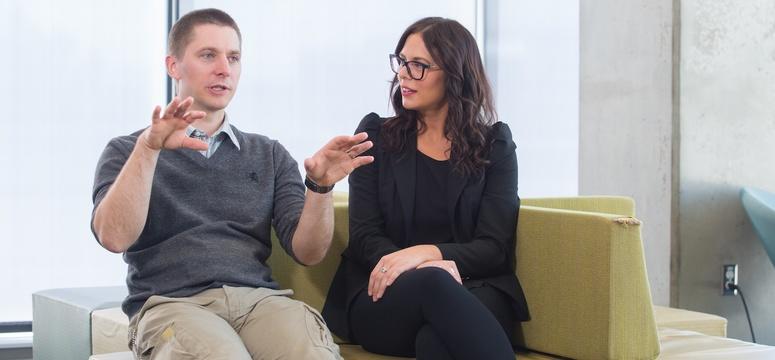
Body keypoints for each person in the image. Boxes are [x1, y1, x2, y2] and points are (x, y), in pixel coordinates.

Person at [91, 8, 372, 360]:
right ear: (174, 66)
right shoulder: (128, 150)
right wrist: (149, 149)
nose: (224, 68)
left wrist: (319, 186)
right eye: (208, 55)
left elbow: (309, 252)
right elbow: (114, 237)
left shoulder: (268, 154)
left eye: (233, 57)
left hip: (258, 303)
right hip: (173, 304)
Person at [322, 17, 530, 359]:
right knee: (434, 284)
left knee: (435, 344)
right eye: (402, 62)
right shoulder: (376, 136)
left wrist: (427, 252)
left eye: (419, 65)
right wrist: (423, 266)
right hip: (386, 293)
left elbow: (494, 247)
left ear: (455, 74)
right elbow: (365, 236)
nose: (404, 73)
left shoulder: (495, 145)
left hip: (473, 288)